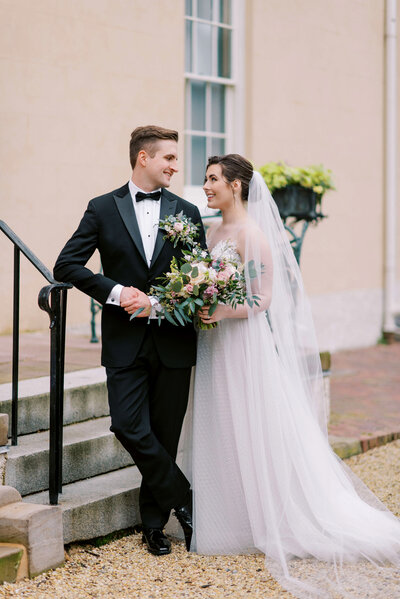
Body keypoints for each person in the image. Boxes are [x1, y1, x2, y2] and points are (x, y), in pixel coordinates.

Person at [190, 154, 400, 598]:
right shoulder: (213, 231)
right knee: (220, 423)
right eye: (206, 179)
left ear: (236, 187)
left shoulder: (252, 235)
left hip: (240, 343)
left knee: (248, 423)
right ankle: (226, 516)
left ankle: (264, 518)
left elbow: (263, 300)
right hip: (211, 342)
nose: (205, 186)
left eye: (212, 179)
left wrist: (219, 310)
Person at [54, 125, 206, 556]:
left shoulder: (187, 211)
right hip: (124, 342)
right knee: (127, 424)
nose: (176, 167)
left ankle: (154, 526)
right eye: (169, 159)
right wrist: (118, 294)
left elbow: (199, 277)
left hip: (174, 339)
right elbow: (66, 264)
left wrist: (158, 304)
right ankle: (184, 495)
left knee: (165, 433)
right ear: (144, 158)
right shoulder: (102, 208)